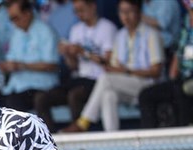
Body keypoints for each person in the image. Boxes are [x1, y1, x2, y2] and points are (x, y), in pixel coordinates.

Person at [61, 0, 163, 133]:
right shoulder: (120, 36)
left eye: (129, 11)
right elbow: (112, 67)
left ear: (139, 12)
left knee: (106, 79)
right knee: (108, 94)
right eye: (122, 12)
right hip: (126, 85)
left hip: (148, 86)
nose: (125, 16)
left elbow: (157, 71)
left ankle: (83, 122)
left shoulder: (151, 34)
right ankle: (112, 141)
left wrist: (126, 71)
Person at [33, 0, 117, 132]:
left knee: (75, 95)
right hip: (78, 78)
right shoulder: (75, 29)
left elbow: (108, 63)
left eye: (81, 10)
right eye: (76, 11)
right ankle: (49, 141)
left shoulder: (107, 27)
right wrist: (68, 54)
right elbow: (73, 67)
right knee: (42, 98)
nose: (79, 14)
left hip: (98, 80)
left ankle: (78, 142)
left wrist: (83, 52)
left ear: (93, 6)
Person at [138, 0, 193, 129]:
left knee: (181, 90)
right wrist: (173, 75)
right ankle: (149, 144)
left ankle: (183, 141)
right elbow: (179, 52)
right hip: (182, 78)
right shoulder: (186, 20)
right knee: (146, 95)